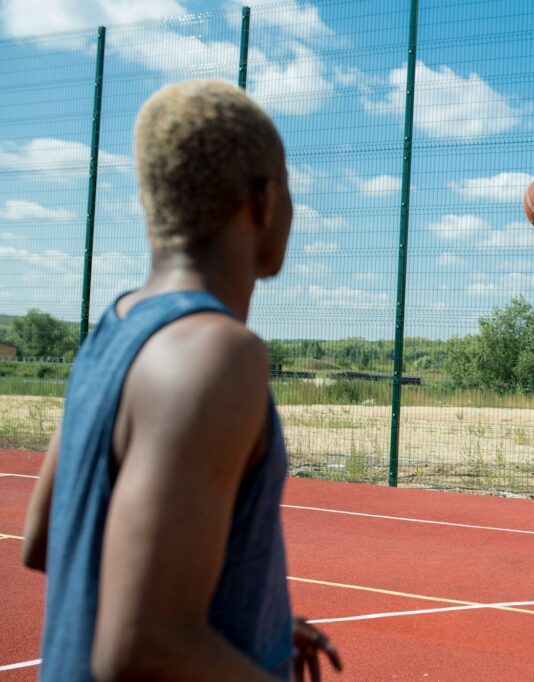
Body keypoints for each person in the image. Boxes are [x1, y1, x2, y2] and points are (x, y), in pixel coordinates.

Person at [21, 80, 341, 680]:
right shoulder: (216, 353)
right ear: (265, 202)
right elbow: (144, 645)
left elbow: (44, 538)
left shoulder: (114, 330)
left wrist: (261, 628)